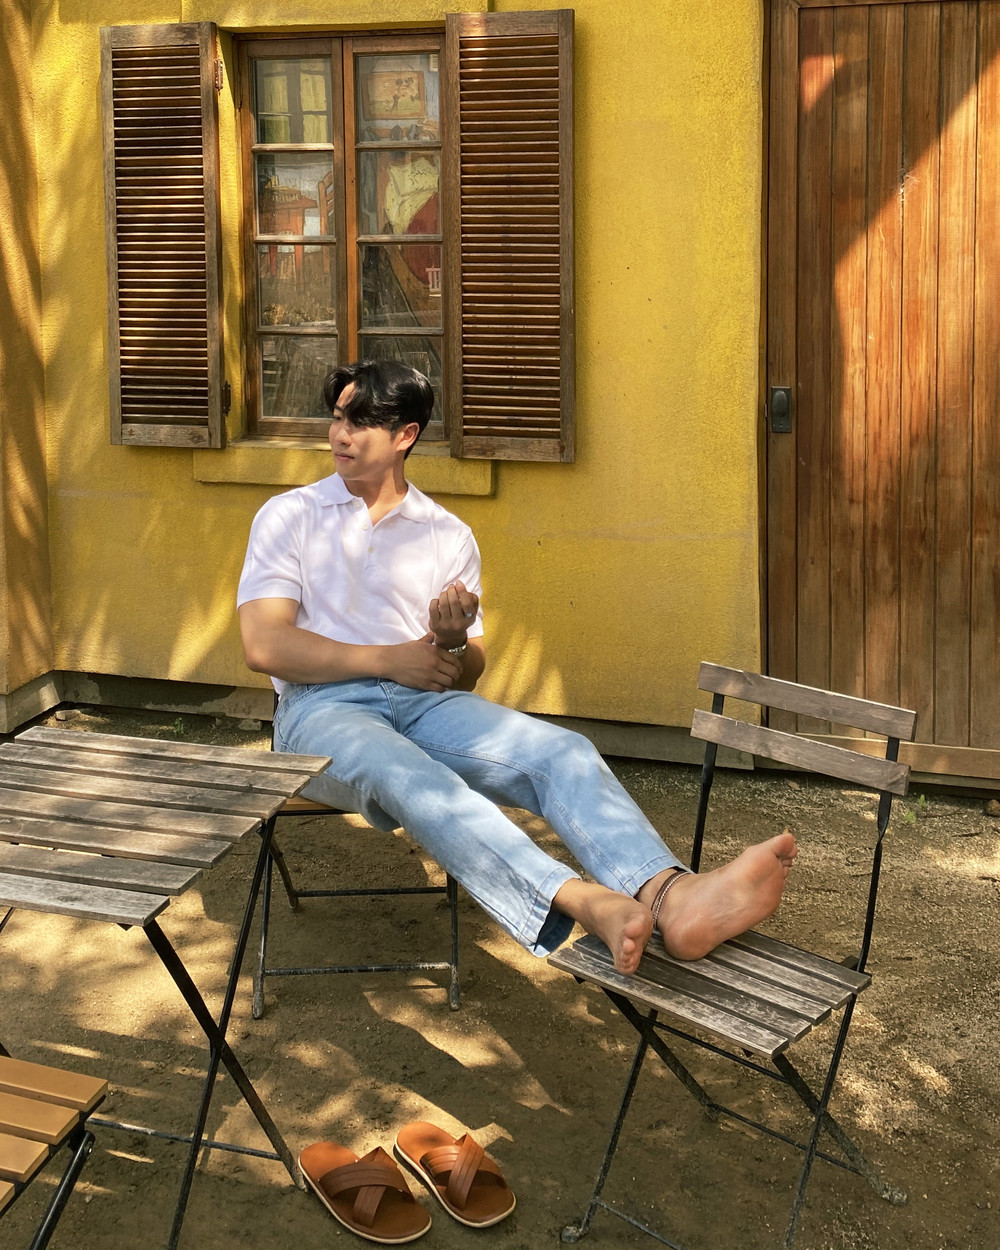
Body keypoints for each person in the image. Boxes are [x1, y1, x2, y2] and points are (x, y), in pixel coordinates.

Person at [237, 360, 797, 976]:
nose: (340, 434)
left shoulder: (446, 533)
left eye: (361, 421)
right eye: (338, 417)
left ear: (406, 436)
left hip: (424, 704)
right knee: (406, 771)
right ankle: (579, 900)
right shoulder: (290, 516)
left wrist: (452, 642)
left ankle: (672, 896)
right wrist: (388, 659)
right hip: (320, 710)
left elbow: (467, 669)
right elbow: (264, 645)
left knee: (563, 752)